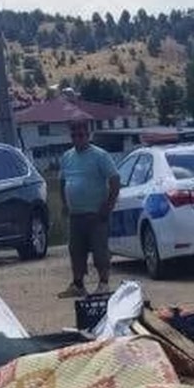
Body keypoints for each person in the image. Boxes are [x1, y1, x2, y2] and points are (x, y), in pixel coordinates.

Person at [56, 117, 121, 299]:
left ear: (88, 135)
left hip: (96, 213)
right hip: (76, 214)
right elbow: (63, 181)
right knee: (76, 250)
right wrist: (64, 203)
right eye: (74, 135)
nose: (78, 138)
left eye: (81, 134)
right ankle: (78, 284)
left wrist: (108, 207)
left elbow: (115, 180)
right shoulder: (67, 157)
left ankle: (103, 284)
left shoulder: (100, 155)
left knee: (100, 250)